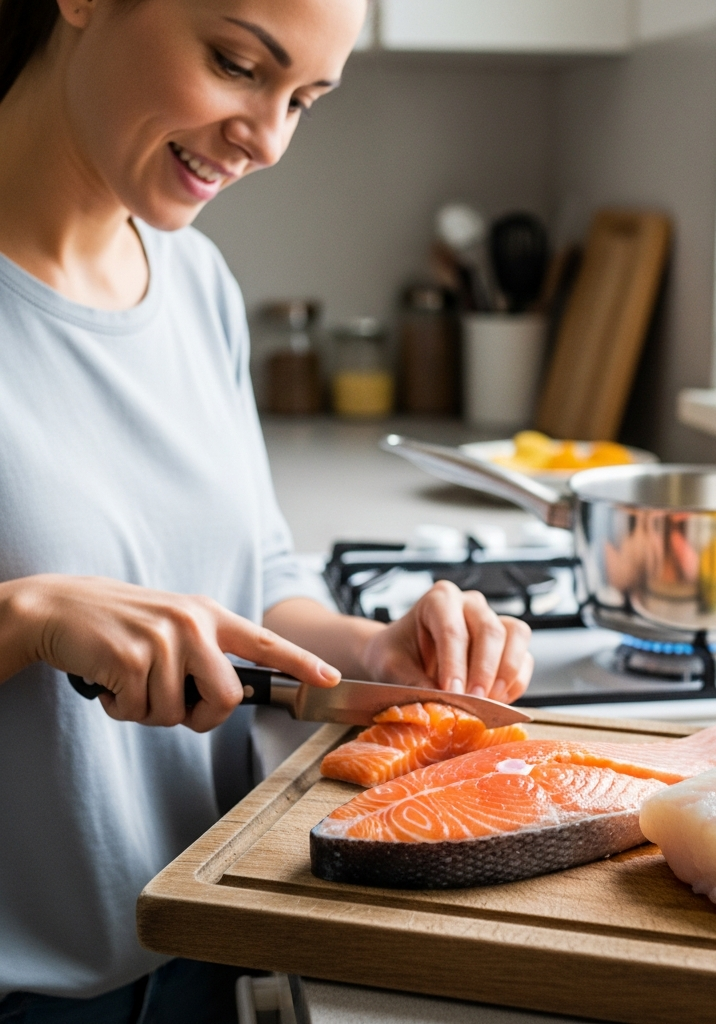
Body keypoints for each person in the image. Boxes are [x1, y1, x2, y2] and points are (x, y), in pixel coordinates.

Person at [0, 0, 534, 1019]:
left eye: (305, 100)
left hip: (202, 946)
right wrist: (24, 619)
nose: (270, 138)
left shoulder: (196, 283)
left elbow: (258, 580)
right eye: (238, 63)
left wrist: (375, 656)